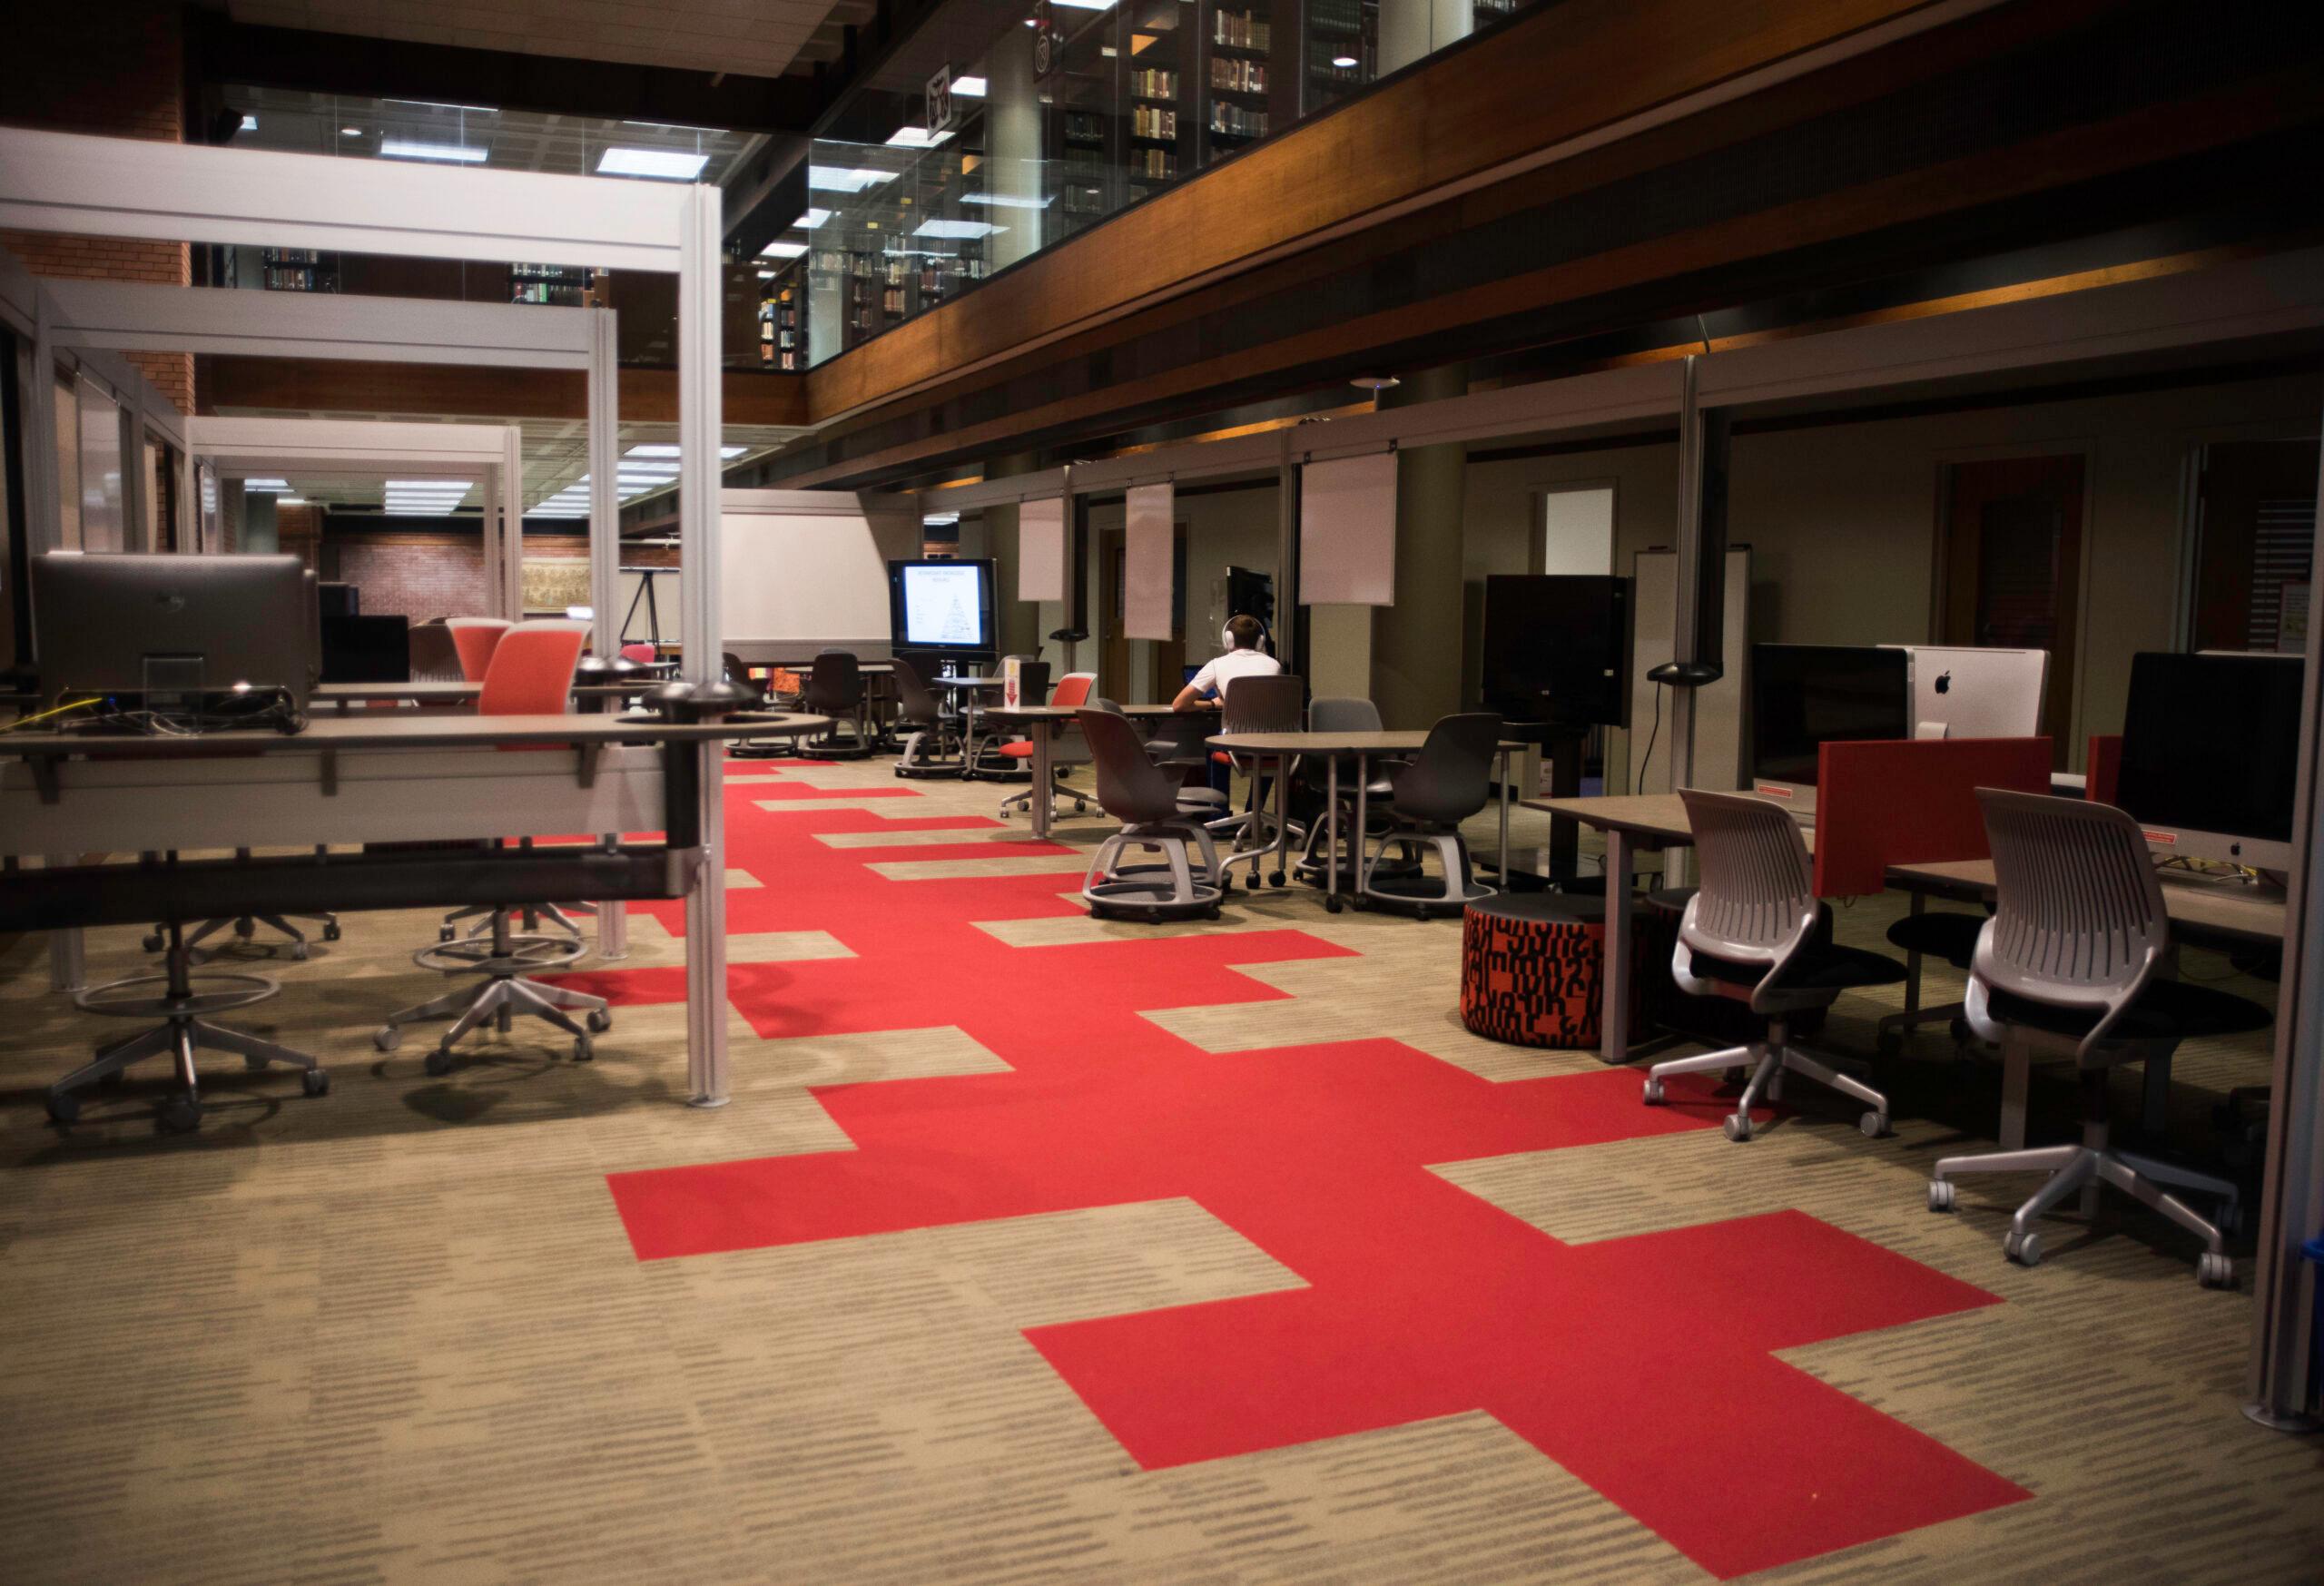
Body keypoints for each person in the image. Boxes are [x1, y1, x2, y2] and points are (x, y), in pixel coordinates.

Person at [1171, 614, 1280, 712]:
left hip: (1234, 734)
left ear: (1228, 640)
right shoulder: (1275, 665)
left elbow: (1179, 705)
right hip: (1273, 733)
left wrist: (1213, 703)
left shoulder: (1216, 665)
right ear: (1260, 641)